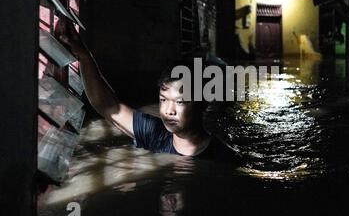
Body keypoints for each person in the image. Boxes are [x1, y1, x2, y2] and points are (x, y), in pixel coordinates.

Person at [55, 18, 239, 164]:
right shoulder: (155, 135)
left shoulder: (223, 159)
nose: (169, 110)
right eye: (163, 99)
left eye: (180, 101)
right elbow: (108, 106)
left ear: (203, 103)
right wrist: (84, 55)